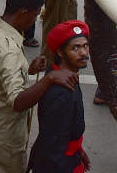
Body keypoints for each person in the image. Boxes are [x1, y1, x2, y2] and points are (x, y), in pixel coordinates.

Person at [0, 0, 76, 173]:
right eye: (35, 15)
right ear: (23, 13)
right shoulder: (8, 51)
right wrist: (50, 79)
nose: (34, 21)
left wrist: (27, 70)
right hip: (4, 137)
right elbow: (17, 101)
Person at [26, 20, 91, 173]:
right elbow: (53, 148)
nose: (83, 52)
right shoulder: (62, 93)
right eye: (75, 48)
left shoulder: (66, 74)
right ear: (60, 53)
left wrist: (78, 150)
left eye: (85, 46)